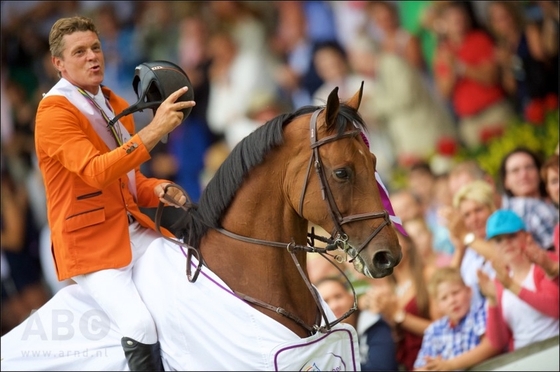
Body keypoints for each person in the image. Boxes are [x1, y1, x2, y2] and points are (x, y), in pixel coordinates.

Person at [35, 16, 195, 371]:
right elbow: (96, 172)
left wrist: (160, 188)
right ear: (58, 64)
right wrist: (154, 130)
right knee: (139, 324)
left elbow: (131, 180)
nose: (93, 57)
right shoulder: (52, 113)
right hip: (89, 244)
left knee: (194, 275)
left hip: (131, 226)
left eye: (95, 47)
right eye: (80, 52)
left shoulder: (113, 101)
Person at [477, 209, 559, 352]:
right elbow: (498, 341)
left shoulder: (546, 262)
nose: (506, 243)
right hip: (522, 359)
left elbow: (556, 308)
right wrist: (492, 301)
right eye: (498, 240)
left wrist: (512, 286)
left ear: (527, 236)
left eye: (512, 236)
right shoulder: (498, 281)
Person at [414, 267, 500, 371]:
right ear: (438, 306)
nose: (452, 301)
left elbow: (492, 345)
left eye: (455, 293)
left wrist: (450, 365)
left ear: (469, 291)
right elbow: (419, 368)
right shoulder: (434, 331)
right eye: (444, 298)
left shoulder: (480, 311)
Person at [316, 275, 399, 371]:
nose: (335, 305)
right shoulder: (317, 338)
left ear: (351, 298)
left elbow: (383, 368)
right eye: (326, 302)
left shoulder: (374, 324)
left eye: (338, 297)